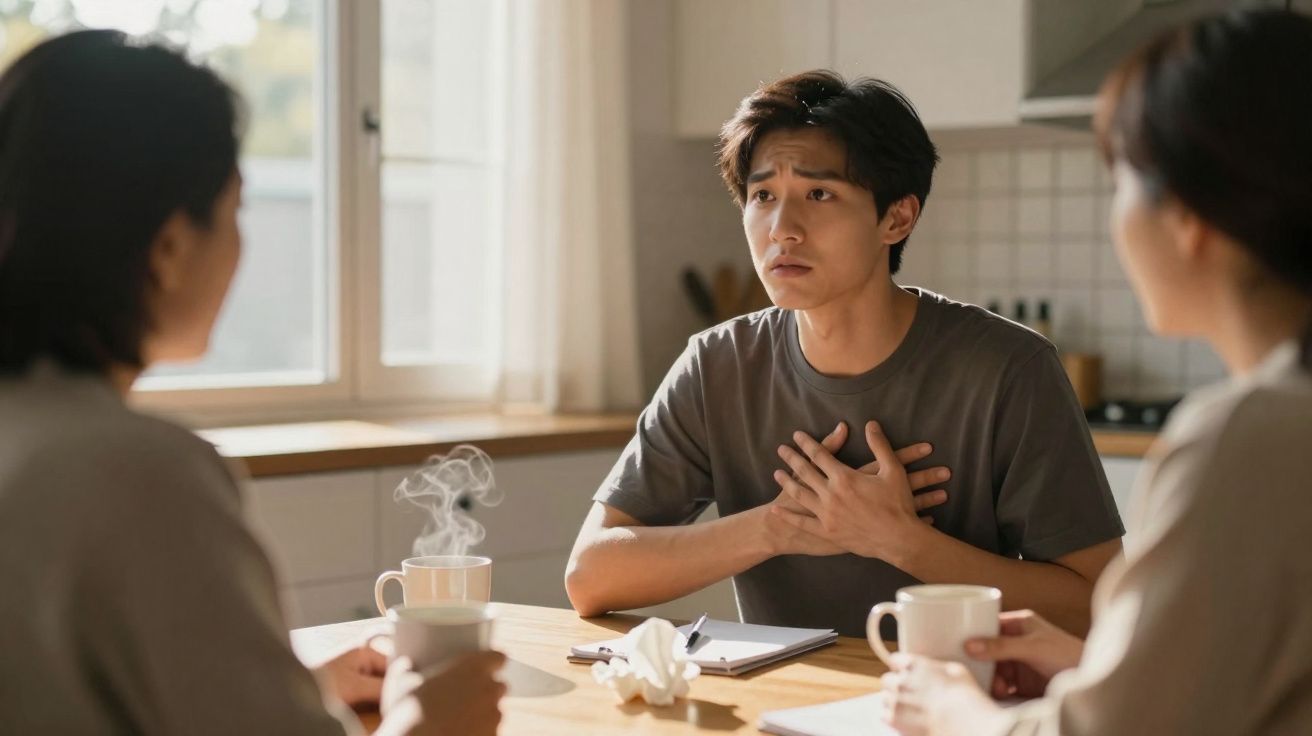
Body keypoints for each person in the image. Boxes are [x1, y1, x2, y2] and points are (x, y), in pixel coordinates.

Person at [0, 30, 504, 735]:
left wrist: (287, 688)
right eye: (236, 210)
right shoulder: (138, 472)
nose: (242, 244)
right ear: (171, 246)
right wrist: (426, 721)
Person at [566, 71, 1125, 639]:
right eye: (763, 196)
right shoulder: (717, 364)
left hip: (958, 703)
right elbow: (591, 576)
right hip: (784, 707)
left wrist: (902, 541)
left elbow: (1100, 607)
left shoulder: (1010, 369)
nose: (782, 230)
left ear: (896, 218)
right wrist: (779, 526)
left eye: (819, 194)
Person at [880, 9, 1312, 735]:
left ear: (1188, 215)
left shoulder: (1248, 436)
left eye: (1120, 179)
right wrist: (1099, 665)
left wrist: (954, 710)